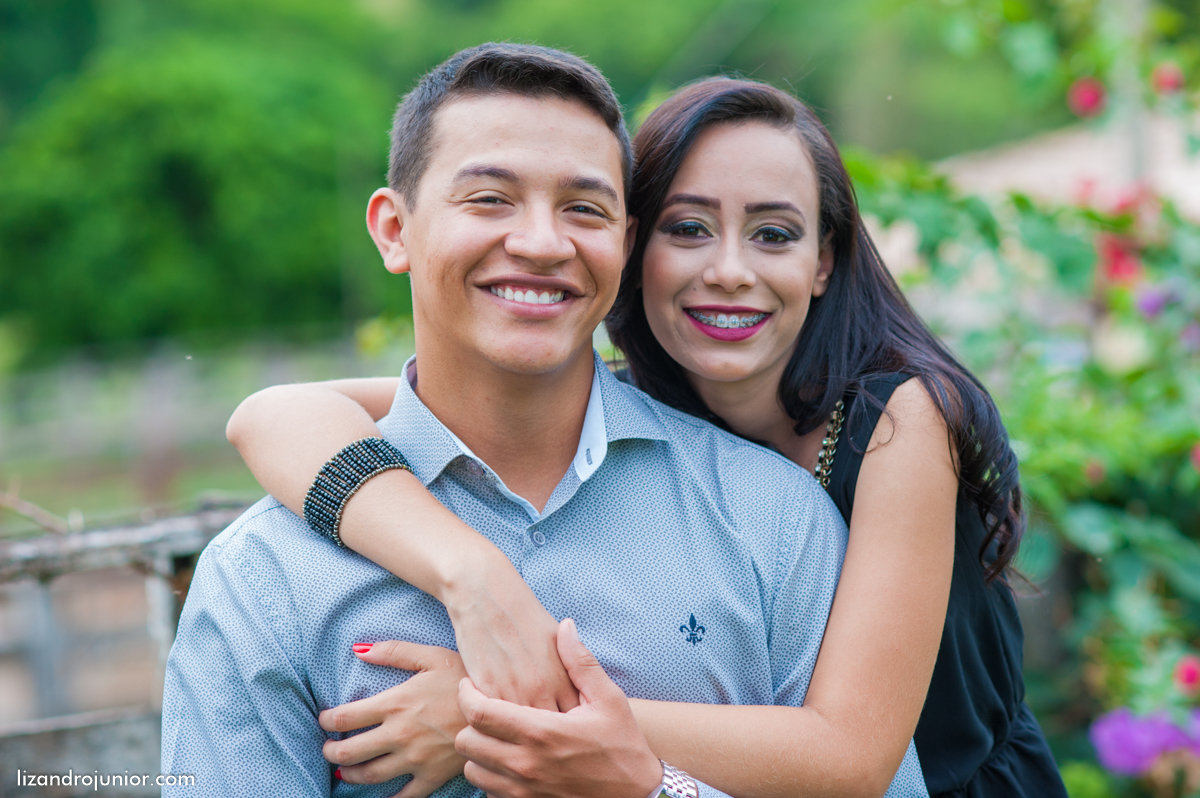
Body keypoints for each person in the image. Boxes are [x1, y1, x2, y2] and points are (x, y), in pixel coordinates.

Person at [227, 73, 1069, 798]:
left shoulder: (898, 421)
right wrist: (471, 574)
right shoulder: (634, 406)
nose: (730, 268)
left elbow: (851, 758)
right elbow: (273, 416)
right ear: (633, 250)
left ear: (823, 260)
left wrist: (490, 712)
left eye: (773, 234)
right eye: (688, 228)